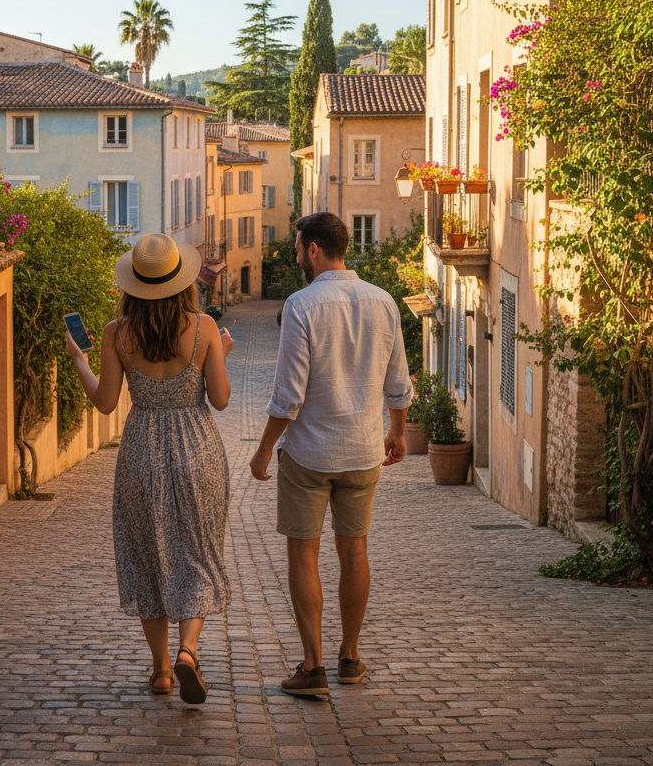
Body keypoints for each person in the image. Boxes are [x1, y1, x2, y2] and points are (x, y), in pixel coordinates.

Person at [66, 232, 233, 704]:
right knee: (196, 552)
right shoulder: (203, 329)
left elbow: (104, 403)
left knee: (148, 556)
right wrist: (219, 355)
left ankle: (161, 670)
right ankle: (188, 650)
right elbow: (219, 400)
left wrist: (79, 359)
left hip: (141, 452)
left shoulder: (117, 333)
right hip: (197, 450)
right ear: (181, 281)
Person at [250, 212, 413, 696]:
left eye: (299, 249)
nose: (298, 256)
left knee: (304, 554)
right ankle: (350, 658)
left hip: (308, 454)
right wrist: (397, 433)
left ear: (314, 250)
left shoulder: (301, 305)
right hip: (363, 450)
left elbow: (288, 396)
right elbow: (399, 382)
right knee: (354, 548)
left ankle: (313, 666)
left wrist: (262, 452)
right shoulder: (383, 302)